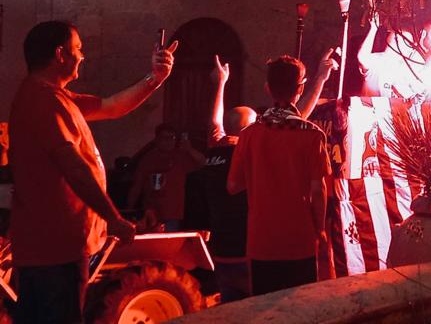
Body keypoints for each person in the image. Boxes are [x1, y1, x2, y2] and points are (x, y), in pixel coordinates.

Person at [8, 21, 177, 324]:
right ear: (60, 54)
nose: (83, 56)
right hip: (54, 250)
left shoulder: (58, 98)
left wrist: (156, 78)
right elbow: (73, 167)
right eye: (78, 49)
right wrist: (113, 217)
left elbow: (112, 106)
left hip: (53, 247)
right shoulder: (43, 100)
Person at [227, 56, 331, 295]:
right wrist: (320, 229)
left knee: (264, 311)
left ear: (267, 88)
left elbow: (232, 185)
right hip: (300, 240)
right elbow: (318, 190)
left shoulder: (250, 135)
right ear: (300, 89)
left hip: (261, 240)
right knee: (300, 309)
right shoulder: (312, 135)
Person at [185, 55, 257, 302]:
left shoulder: (216, 150)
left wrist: (221, 83)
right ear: (249, 130)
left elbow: (214, 124)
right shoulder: (246, 154)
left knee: (229, 306)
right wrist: (321, 79)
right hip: (246, 251)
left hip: (221, 251)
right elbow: (297, 118)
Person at [128, 123, 205, 230]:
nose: (169, 141)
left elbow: (203, 162)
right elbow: (137, 186)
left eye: (172, 138)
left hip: (173, 215)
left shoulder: (180, 156)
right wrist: (129, 209)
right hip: (151, 214)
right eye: (165, 138)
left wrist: (189, 149)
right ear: (157, 139)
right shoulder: (147, 159)